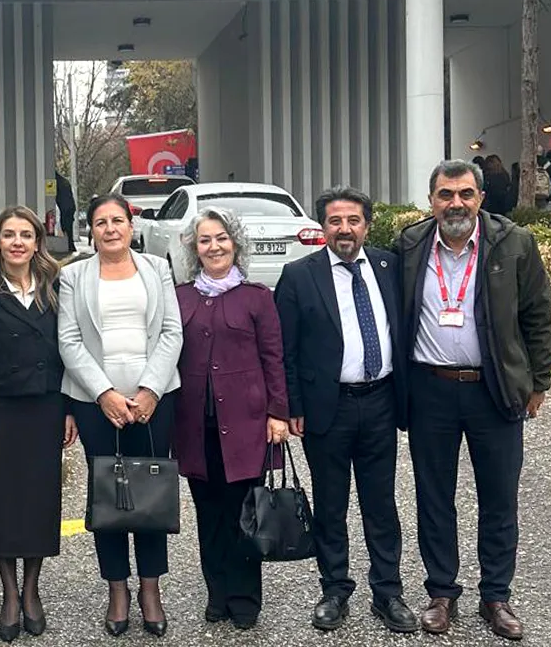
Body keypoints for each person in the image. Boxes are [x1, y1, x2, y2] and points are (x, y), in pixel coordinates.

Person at [395, 159, 551, 641]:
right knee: (434, 496)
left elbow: (538, 315)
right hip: (431, 389)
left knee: (499, 497)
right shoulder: (410, 245)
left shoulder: (514, 243)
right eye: (446, 194)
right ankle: (441, 593)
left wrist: (538, 383)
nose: (456, 203)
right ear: (431, 201)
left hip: (494, 389)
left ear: (481, 198)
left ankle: (496, 597)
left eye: (465, 193)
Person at [275, 186, 415, 635]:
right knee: (330, 505)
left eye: (353, 220)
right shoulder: (299, 276)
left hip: (380, 402)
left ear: (367, 225)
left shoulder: (389, 267)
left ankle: (388, 592)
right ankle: (334, 589)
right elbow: (285, 350)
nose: (344, 229)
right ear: (323, 227)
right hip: (326, 408)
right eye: (335, 221)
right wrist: (293, 405)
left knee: (381, 503)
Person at [59, 194, 183, 638]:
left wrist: (150, 389)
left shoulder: (157, 268)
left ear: (131, 226)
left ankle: (151, 589)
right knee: (108, 496)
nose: (110, 229)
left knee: (151, 494)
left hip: (155, 401)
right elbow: (69, 340)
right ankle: (117, 590)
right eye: (101, 223)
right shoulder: (73, 275)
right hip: (96, 404)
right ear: (91, 231)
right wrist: (104, 394)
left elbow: (172, 331)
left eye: (117, 220)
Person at [0, 206, 78, 642]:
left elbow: (68, 352)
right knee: (1, 503)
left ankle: (32, 590)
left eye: (26, 235)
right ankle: (9, 593)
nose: (17, 242)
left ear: (38, 243)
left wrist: (69, 409)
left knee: (38, 502)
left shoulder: (55, 288)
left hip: (44, 408)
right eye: (9, 234)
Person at [174, 207, 288, 631]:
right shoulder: (181, 296)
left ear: (235, 244)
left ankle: (244, 597)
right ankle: (216, 593)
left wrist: (277, 413)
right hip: (195, 425)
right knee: (209, 515)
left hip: (246, 425)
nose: (214, 246)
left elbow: (274, 357)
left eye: (221, 238)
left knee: (244, 513)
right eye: (205, 240)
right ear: (195, 248)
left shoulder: (257, 297)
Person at [55, 170, 77, 252]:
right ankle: (70, 245)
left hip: (65, 209)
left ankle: (70, 246)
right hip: (69, 208)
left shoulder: (57, 181)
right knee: (68, 228)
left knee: (65, 227)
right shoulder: (64, 181)